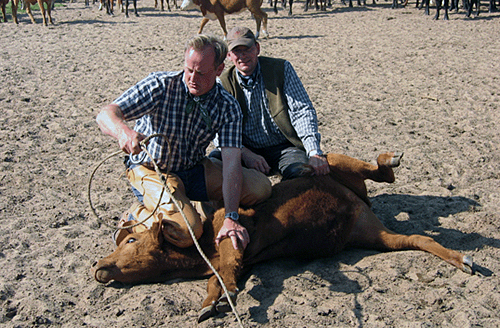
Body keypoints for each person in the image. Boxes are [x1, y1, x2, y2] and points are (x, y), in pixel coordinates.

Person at [96, 34, 271, 251]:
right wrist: (123, 131)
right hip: (152, 169)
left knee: (260, 187)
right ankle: (135, 217)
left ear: (219, 70)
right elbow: (106, 114)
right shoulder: (160, 85)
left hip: (194, 169)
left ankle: (191, 203)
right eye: (189, 70)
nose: (192, 78)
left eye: (201, 73)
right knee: (187, 232)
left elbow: (232, 164)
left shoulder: (227, 106)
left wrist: (231, 217)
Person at [212, 27, 330, 180]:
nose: (242, 56)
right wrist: (244, 153)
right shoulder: (222, 83)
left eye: (247, 49)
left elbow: (302, 111)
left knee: (301, 175)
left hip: (284, 148)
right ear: (229, 56)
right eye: (236, 51)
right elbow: (218, 129)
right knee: (213, 165)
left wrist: (314, 151)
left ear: (257, 48)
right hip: (245, 148)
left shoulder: (281, 69)